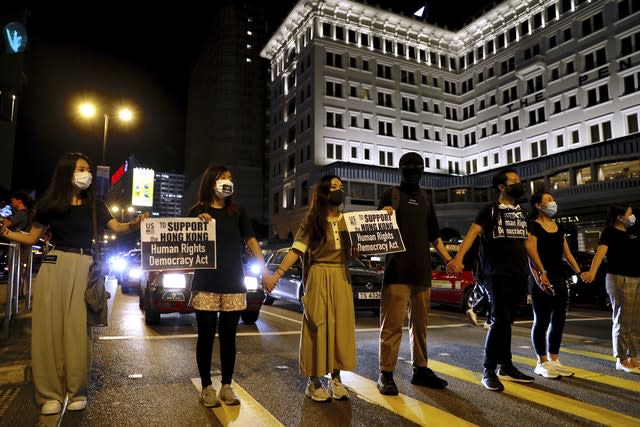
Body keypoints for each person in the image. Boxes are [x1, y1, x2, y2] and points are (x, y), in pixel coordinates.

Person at [0, 152, 147, 415]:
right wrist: (8, 233)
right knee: (49, 331)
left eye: (88, 169)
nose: (85, 173)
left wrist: (136, 223)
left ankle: (76, 390)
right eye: (80, 168)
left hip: (84, 267)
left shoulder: (96, 205)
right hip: (54, 265)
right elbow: (33, 237)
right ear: (67, 172)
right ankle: (49, 394)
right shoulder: (49, 205)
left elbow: (116, 227)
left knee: (78, 332)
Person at [262, 175, 356, 402]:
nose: (338, 191)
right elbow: (296, 251)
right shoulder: (312, 220)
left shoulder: (349, 221)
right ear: (324, 192)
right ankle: (313, 382)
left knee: (340, 329)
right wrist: (277, 275)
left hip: (342, 276)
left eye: (341, 188)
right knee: (318, 326)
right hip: (319, 274)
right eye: (334, 187)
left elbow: (361, 247)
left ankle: (336, 378)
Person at [188, 165, 269, 407]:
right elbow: (186, 245)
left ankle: (226, 386)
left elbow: (251, 240)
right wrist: (198, 224)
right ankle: (206, 387)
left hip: (234, 281)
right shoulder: (197, 212)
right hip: (205, 282)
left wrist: (264, 270)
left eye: (230, 178)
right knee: (205, 335)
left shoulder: (238, 212)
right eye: (223, 178)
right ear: (211, 182)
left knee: (229, 337)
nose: (227, 182)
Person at [449, 168, 534, 391]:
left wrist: (540, 271)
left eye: (520, 180)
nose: (520, 183)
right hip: (495, 273)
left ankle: (505, 365)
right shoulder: (490, 210)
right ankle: (488, 370)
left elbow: (528, 244)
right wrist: (458, 258)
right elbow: (472, 233)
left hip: (519, 273)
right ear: (502, 187)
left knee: (507, 321)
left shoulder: (522, 213)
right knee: (499, 320)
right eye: (515, 181)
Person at [376, 152, 451, 395]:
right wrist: (383, 216)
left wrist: (449, 259)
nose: (412, 171)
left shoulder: (426, 199)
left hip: (422, 273)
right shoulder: (391, 195)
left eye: (416, 167)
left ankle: (421, 370)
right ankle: (385, 374)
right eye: (408, 167)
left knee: (420, 326)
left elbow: (435, 236)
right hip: (396, 272)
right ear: (400, 169)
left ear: (422, 170)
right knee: (392, 326)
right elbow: (375, 232)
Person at [524, 191, 583, 378]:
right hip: (542, 276)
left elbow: (567, 253)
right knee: (541, 320)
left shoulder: (557, 225)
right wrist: (540, 275)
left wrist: (580, 272)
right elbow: (530, 254)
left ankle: (554, 360)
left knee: (559, 319)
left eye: (553, 200)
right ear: (538, 205)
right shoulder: (532, 225)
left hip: (559, 276)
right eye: (549, 200)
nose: (553, 203)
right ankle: (541, 362)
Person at [583, 205, 640, 374]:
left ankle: (633, 356)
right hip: (618, 277)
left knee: (636, 321)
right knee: (623, 319)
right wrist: (592, 272)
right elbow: (600, 253)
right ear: (619, 217)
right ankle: (621, 359)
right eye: (629, 214)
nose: (632, 216)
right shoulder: (609, 232)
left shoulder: (632, 232)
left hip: (637, 277)